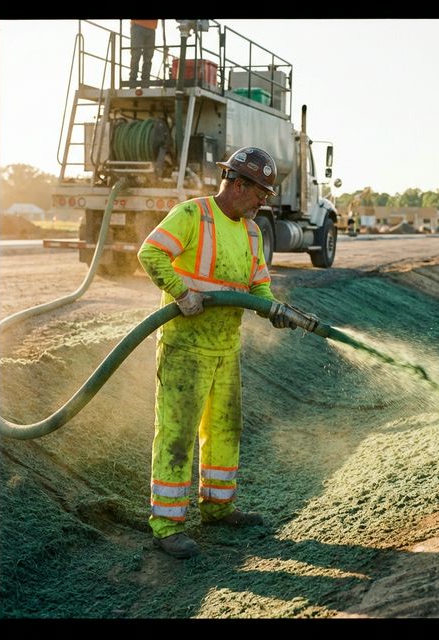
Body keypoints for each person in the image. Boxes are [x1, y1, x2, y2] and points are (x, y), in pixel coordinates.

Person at [137, 147, 301, 559]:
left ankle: (217, 506)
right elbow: (150, 252)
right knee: (177, 434)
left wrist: (272, 310)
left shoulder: (252, 232)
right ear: (238, 184)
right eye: (260, 191)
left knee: (226, 429)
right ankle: (167, 524)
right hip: (185, 347)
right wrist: (180, 293)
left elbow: (258, 286)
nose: (264, 200)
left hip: (226, 348)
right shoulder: (193, 215)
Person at [129, 19, 158, 88]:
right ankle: (132, 80)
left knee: (148, 57)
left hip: (151, 28)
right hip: (137, 25)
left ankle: (145, 80)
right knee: (136, 55)